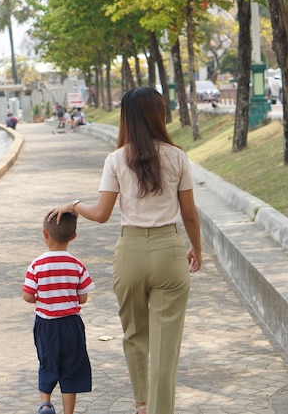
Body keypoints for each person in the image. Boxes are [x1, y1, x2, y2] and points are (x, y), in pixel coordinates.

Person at [48, 86, 202, 414]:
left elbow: (102, 214)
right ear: (159, 115)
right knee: (165, 344)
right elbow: (189, 213)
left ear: (126, 118)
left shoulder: (117, 159)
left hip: (130, 252)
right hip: (170, 251)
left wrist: (74, 205)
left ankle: (142, 405)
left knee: (134, 335)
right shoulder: (177, 156)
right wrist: (197, 249)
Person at [23, 212, 95, 414]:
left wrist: (43, 298)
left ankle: (45, 404)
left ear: (44, 234)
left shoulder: (37, 265)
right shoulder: (77, 265)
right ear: (74, 236)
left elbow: (28, 296)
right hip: (71, 326)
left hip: (46, 325)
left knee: (47, 362)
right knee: (71, 368)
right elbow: (83, 298)